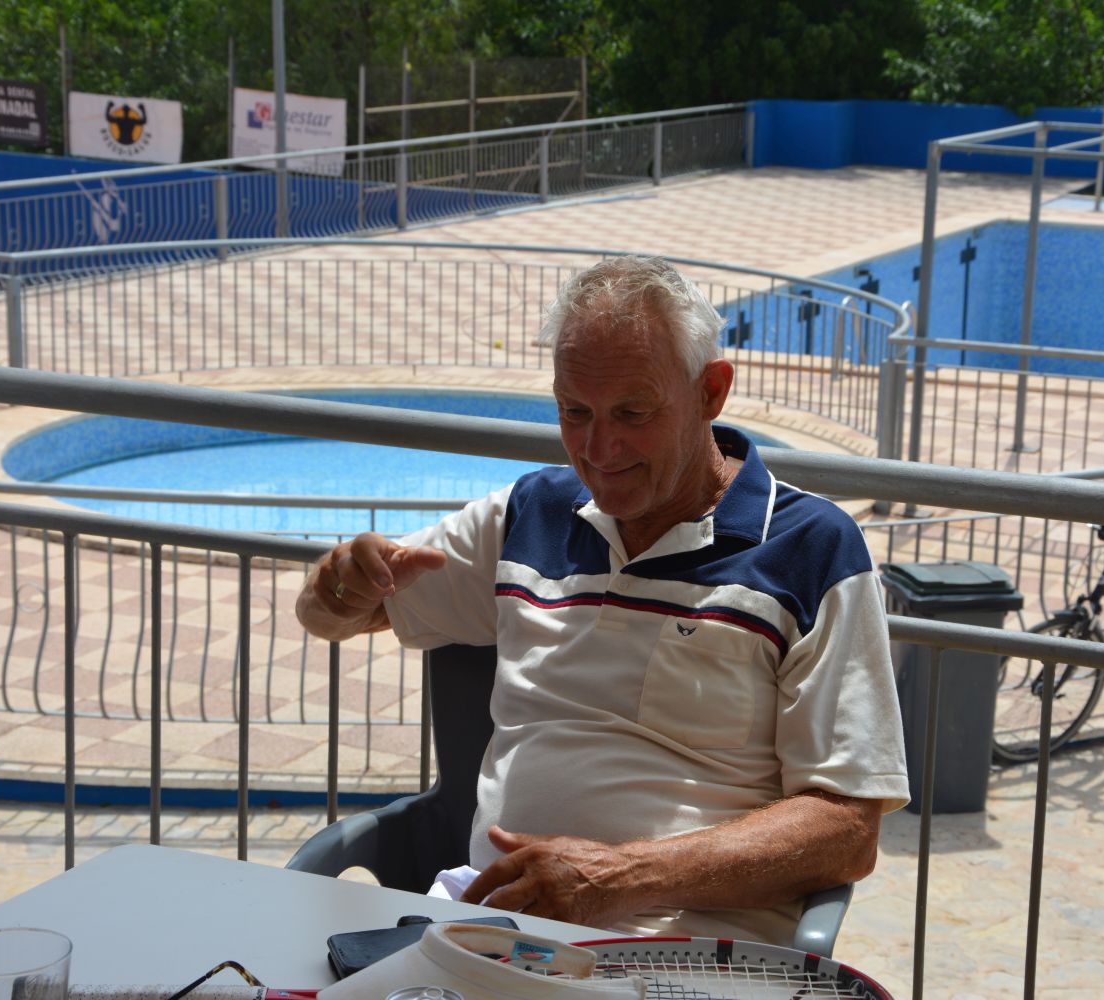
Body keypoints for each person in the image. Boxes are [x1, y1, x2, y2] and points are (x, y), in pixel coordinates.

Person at [296, 255, 909, 945]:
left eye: (633, 412)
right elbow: (334, 616)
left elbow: (846, 829)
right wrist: (337, 586)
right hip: (489, 933)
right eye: (574, 412)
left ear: (711, 392)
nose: (599, 448)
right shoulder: (528, 514)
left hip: (685, 957)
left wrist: (621, 877)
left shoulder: (811, 548)